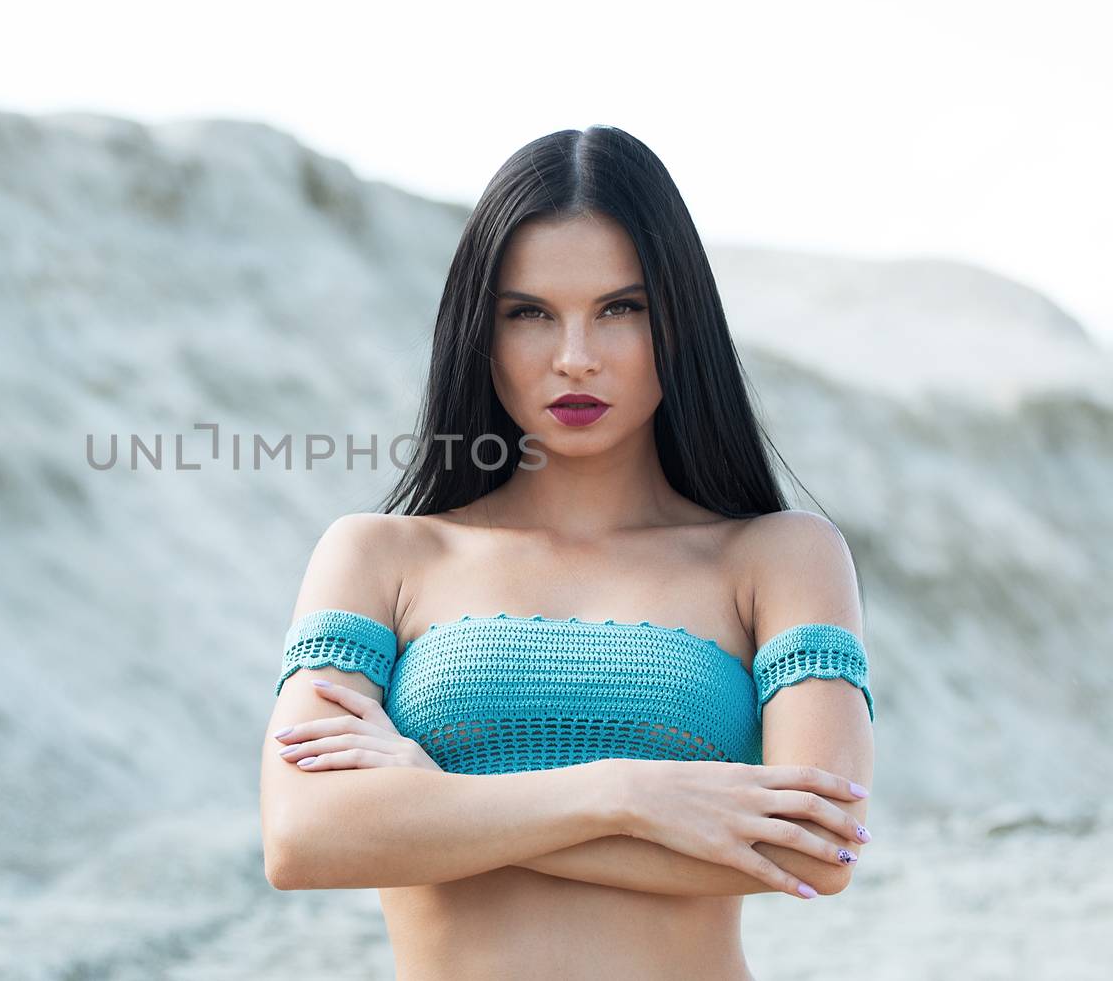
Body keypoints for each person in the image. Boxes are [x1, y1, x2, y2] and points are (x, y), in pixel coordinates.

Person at [258, 126, 877, 980]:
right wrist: (626, 793)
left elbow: (816, 847)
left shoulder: (779, 557)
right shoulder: (379, 555)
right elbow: (304, 837)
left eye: (622, 308)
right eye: (530, 313)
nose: (574, 357)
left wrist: (433, 801)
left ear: (679, 322)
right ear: (481, 330)